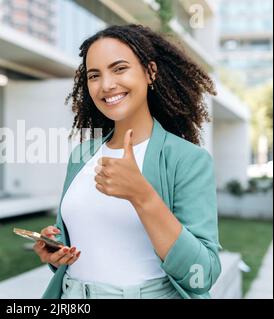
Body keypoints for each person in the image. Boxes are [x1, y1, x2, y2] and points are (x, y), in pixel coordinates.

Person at [33, 24, 222, 299]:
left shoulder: (188, 160)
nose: (106, 85)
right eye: (94, 75)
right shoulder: (82, 156)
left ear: (150, 72)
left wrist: (142, 195)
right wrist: (56, 250)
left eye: (119, 68)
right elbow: (97, 243)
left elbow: (202, 273)